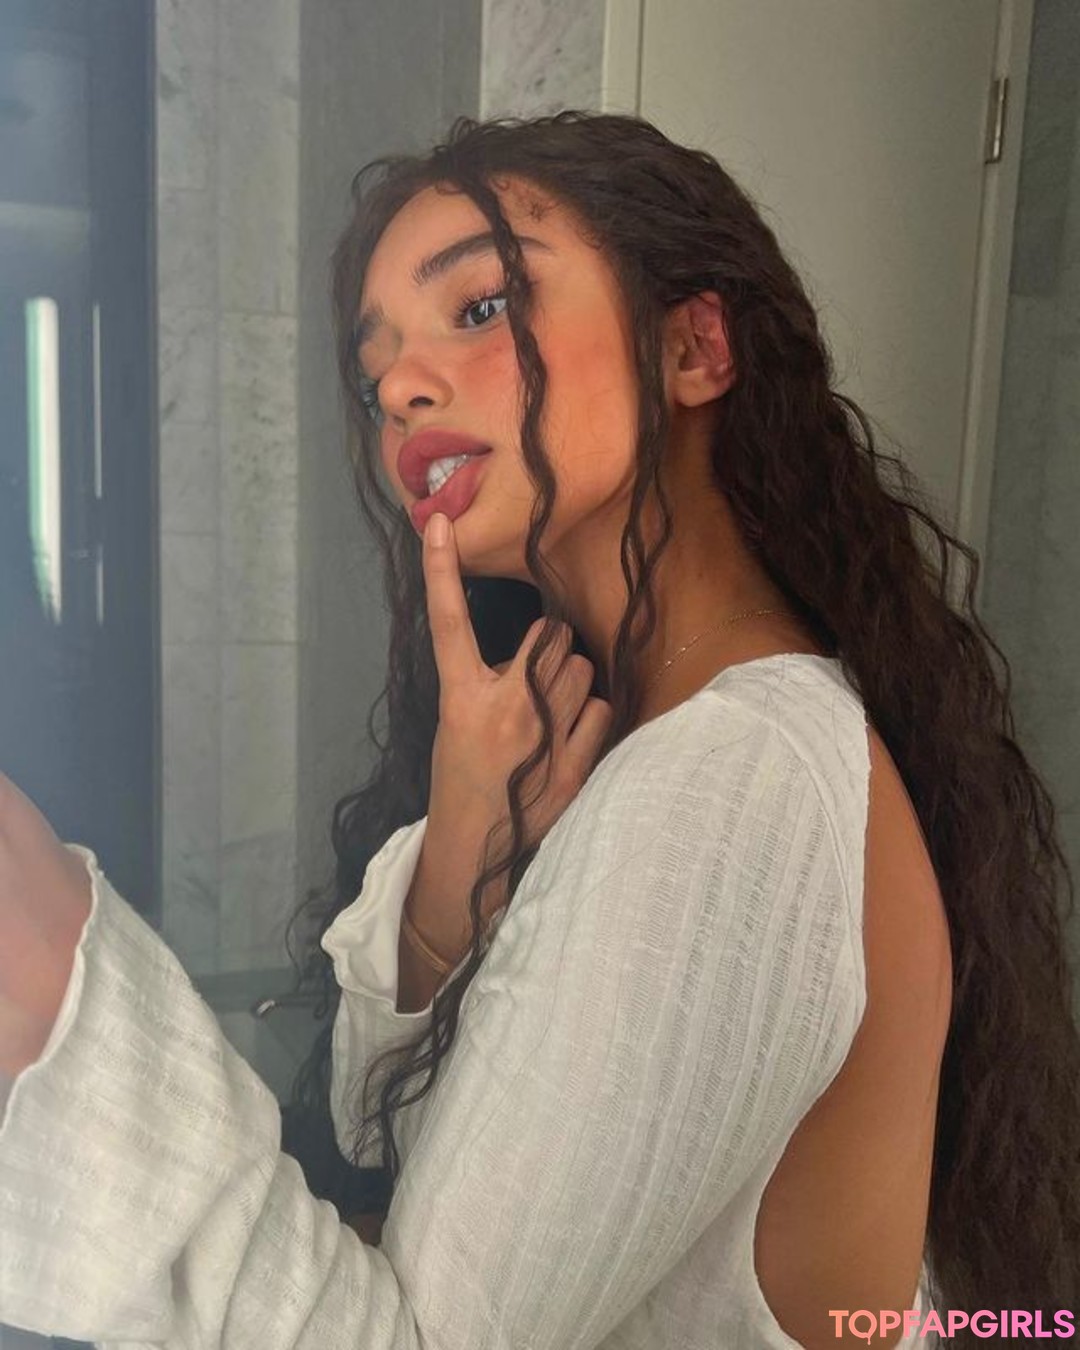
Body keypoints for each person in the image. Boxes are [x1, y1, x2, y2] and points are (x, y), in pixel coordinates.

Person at [1, 111, 1078, 1350]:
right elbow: (375, 1141)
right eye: (373, 369)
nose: (398, 390)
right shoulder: (622, 747)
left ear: (694, 346)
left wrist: (70, 1012)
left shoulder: (739, 776)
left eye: (478, 308)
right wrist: (454, 861)